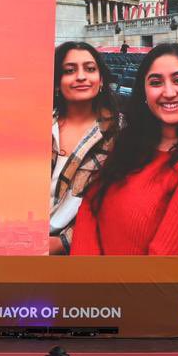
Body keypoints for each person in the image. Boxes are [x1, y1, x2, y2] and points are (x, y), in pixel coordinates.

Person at [71, 43, 178, 255]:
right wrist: (85, 275)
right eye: (156, 82)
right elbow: (90, 204)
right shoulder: (131, 141)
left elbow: (162, 262)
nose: (168, 92)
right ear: (144, 92)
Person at [51, 41, 120, 255]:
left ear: (100, 80)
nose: (81, 76)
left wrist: (61, 243)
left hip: (77, 249)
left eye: (90, 69)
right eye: (69, 70)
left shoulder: (121, 134)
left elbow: (114, 206)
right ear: (56, 83)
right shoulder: (33, 123)